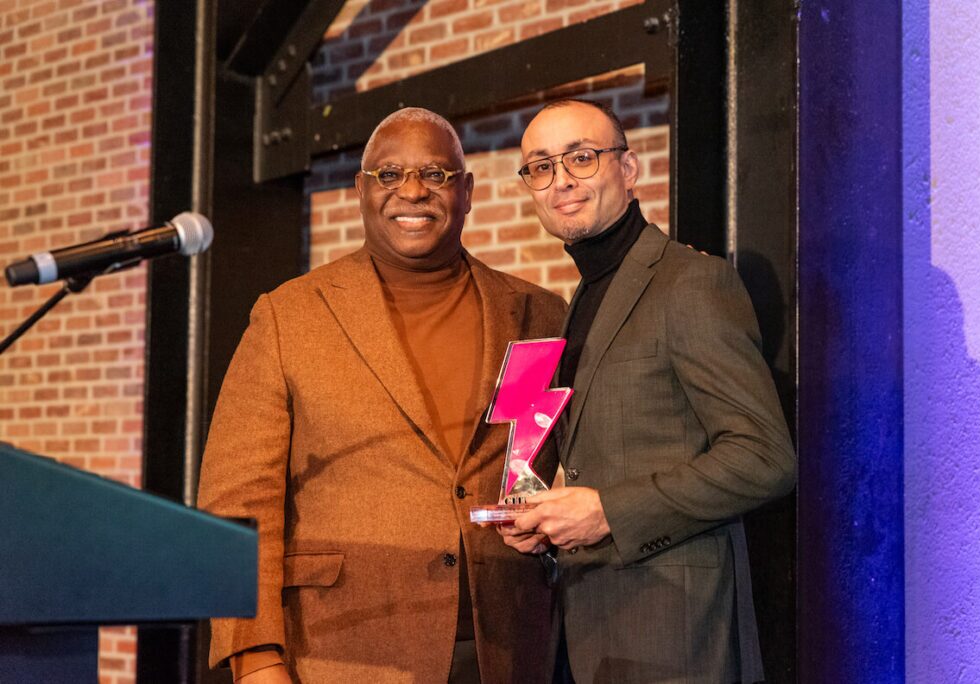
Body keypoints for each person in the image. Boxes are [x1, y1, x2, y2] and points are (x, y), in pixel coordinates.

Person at [198, 107, 566, 683]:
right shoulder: (288, 315)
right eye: (389, 175)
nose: (413, 191)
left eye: (436, 175)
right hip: (343, 651)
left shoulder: (538, 311)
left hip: (506, 648)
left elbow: (545, 456)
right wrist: (254, 659)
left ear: (466, 192)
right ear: (360, 190)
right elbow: (238, 503)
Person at [499, 99, 796, 683]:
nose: (561, 180)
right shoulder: (579, 301)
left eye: (581, 158)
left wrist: (609, 510)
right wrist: (537, 514)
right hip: (590, 630)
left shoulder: (691, 282)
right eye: (540, 166)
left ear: (628, 170)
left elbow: (766, 458)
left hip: (676, 635)